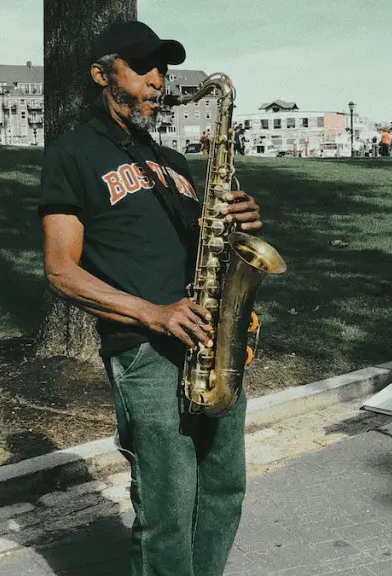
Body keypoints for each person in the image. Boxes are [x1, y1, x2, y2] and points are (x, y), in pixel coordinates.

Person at [38, 20, 262, 576]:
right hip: (144, 349)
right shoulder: (73, 154)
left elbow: (205, 251)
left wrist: (242, 226)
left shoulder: (175, 164)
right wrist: (152, 313)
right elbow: (60, 271)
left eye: (162, 69)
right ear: (101, 74)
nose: (158, 81)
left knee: (224, 492)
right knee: (165, 511)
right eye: (143, 68)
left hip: (212, 344)